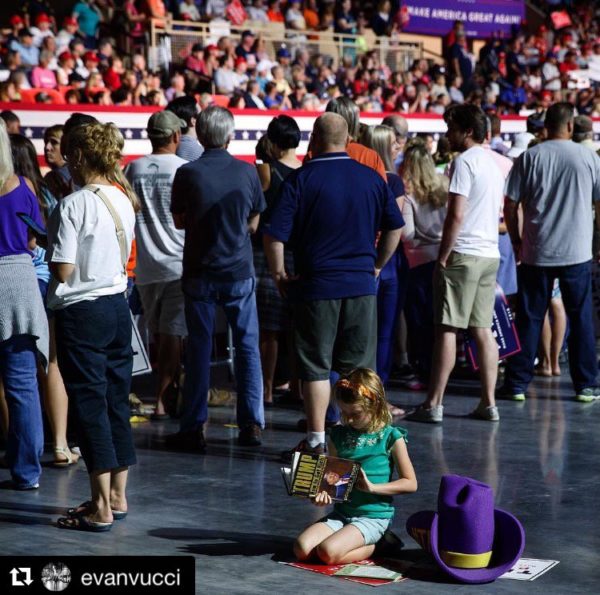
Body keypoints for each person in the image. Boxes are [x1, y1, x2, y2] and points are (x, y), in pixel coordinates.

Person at [264, 113, 404, 458]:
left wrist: (279, 274)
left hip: (316, 287)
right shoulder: (371, 179)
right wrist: (376, 265)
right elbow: (396, 228)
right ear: (348, 138)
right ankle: (361, 441)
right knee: (358, 369)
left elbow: (273, 235)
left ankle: (315, 440)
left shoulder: (301, 179)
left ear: (314, 138)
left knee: (315, 365)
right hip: (360, 285)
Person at [47, 122, 139, 531]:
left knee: (89, 405)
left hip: (83, 311)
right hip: (118, 307)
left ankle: (100, 506)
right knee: (117, 400)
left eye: (68, 153)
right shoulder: (121, 197)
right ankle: (117, 496)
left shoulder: (72, 204)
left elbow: (64, 270)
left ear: (79, 157)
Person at [169, 106, 266, 449]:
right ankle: (251, 424)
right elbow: (255, 220)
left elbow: (179, 221)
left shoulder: (187, 173)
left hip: (199, 271)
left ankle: (194, 426)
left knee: (198, 348)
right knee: (247, 347)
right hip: (238, 270)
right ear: (228, 135)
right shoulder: (247, 172)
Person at [407, 104, 504, 423]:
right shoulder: (492, 163)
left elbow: (456, 214)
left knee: (447, 329)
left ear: (468, 132)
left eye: (452, 129)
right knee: (482, 329)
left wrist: (444, 255)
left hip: (462, 253)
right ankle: (488, 402)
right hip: (490, 253)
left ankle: (434, 403)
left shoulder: (464, 162)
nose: (447, 134)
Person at [502, 102, 600, 403]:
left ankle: (517, 384)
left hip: (537, 251)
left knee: (529, 318)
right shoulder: (589, 158)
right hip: (577, 252)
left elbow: (510, 204)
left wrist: (517, 240)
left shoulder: (530, 157)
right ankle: (586, 385)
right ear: (570, 125)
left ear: (546, 126)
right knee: (581, 318)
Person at [293, 368, 417, 564]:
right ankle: (349, 540)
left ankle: (380, 544)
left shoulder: (391, 437)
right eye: (344, 412)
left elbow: (411, 483)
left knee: (327, 553)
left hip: (372, 517)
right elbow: (332, 477)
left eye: (355, 413)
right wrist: (322, 494)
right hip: (343, 513)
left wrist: (373, 488)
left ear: (375, 405)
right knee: (302, 549)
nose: (348, 419)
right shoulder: (338, 435)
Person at [124, 111, 188, 420]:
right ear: (176, 136)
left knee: (160, 334)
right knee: (172, 333)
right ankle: (164, 400)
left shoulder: (132, 168)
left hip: (146, 265)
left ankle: (165, 393)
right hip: (178, 262)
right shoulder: (185, 169)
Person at [0, 118, 47, 490]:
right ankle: (27, 470)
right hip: (18, 280)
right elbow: (34, 242)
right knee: (22, 385)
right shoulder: (24, 186)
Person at [254, 116, 302, 407]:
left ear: (272, 141)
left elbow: (254, 215)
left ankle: (267, 390)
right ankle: (297, 389)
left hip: (266, 255)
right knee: (298, 328)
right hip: (301, 255)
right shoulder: (308, 171)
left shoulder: (265, 171)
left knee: (268, 330)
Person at [401, 141, 448, 386]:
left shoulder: (409, 195)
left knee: (419, 322)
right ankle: (440, 373)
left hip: (418, 263)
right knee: (439, 320)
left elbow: (407, 235)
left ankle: (424, 372)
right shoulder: (444, 187)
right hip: (444, 259)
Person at [166, 95, 204, 161]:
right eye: (201, 114)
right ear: (193, 121)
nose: (204, 118)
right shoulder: (202, 155)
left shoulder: (166, 151)